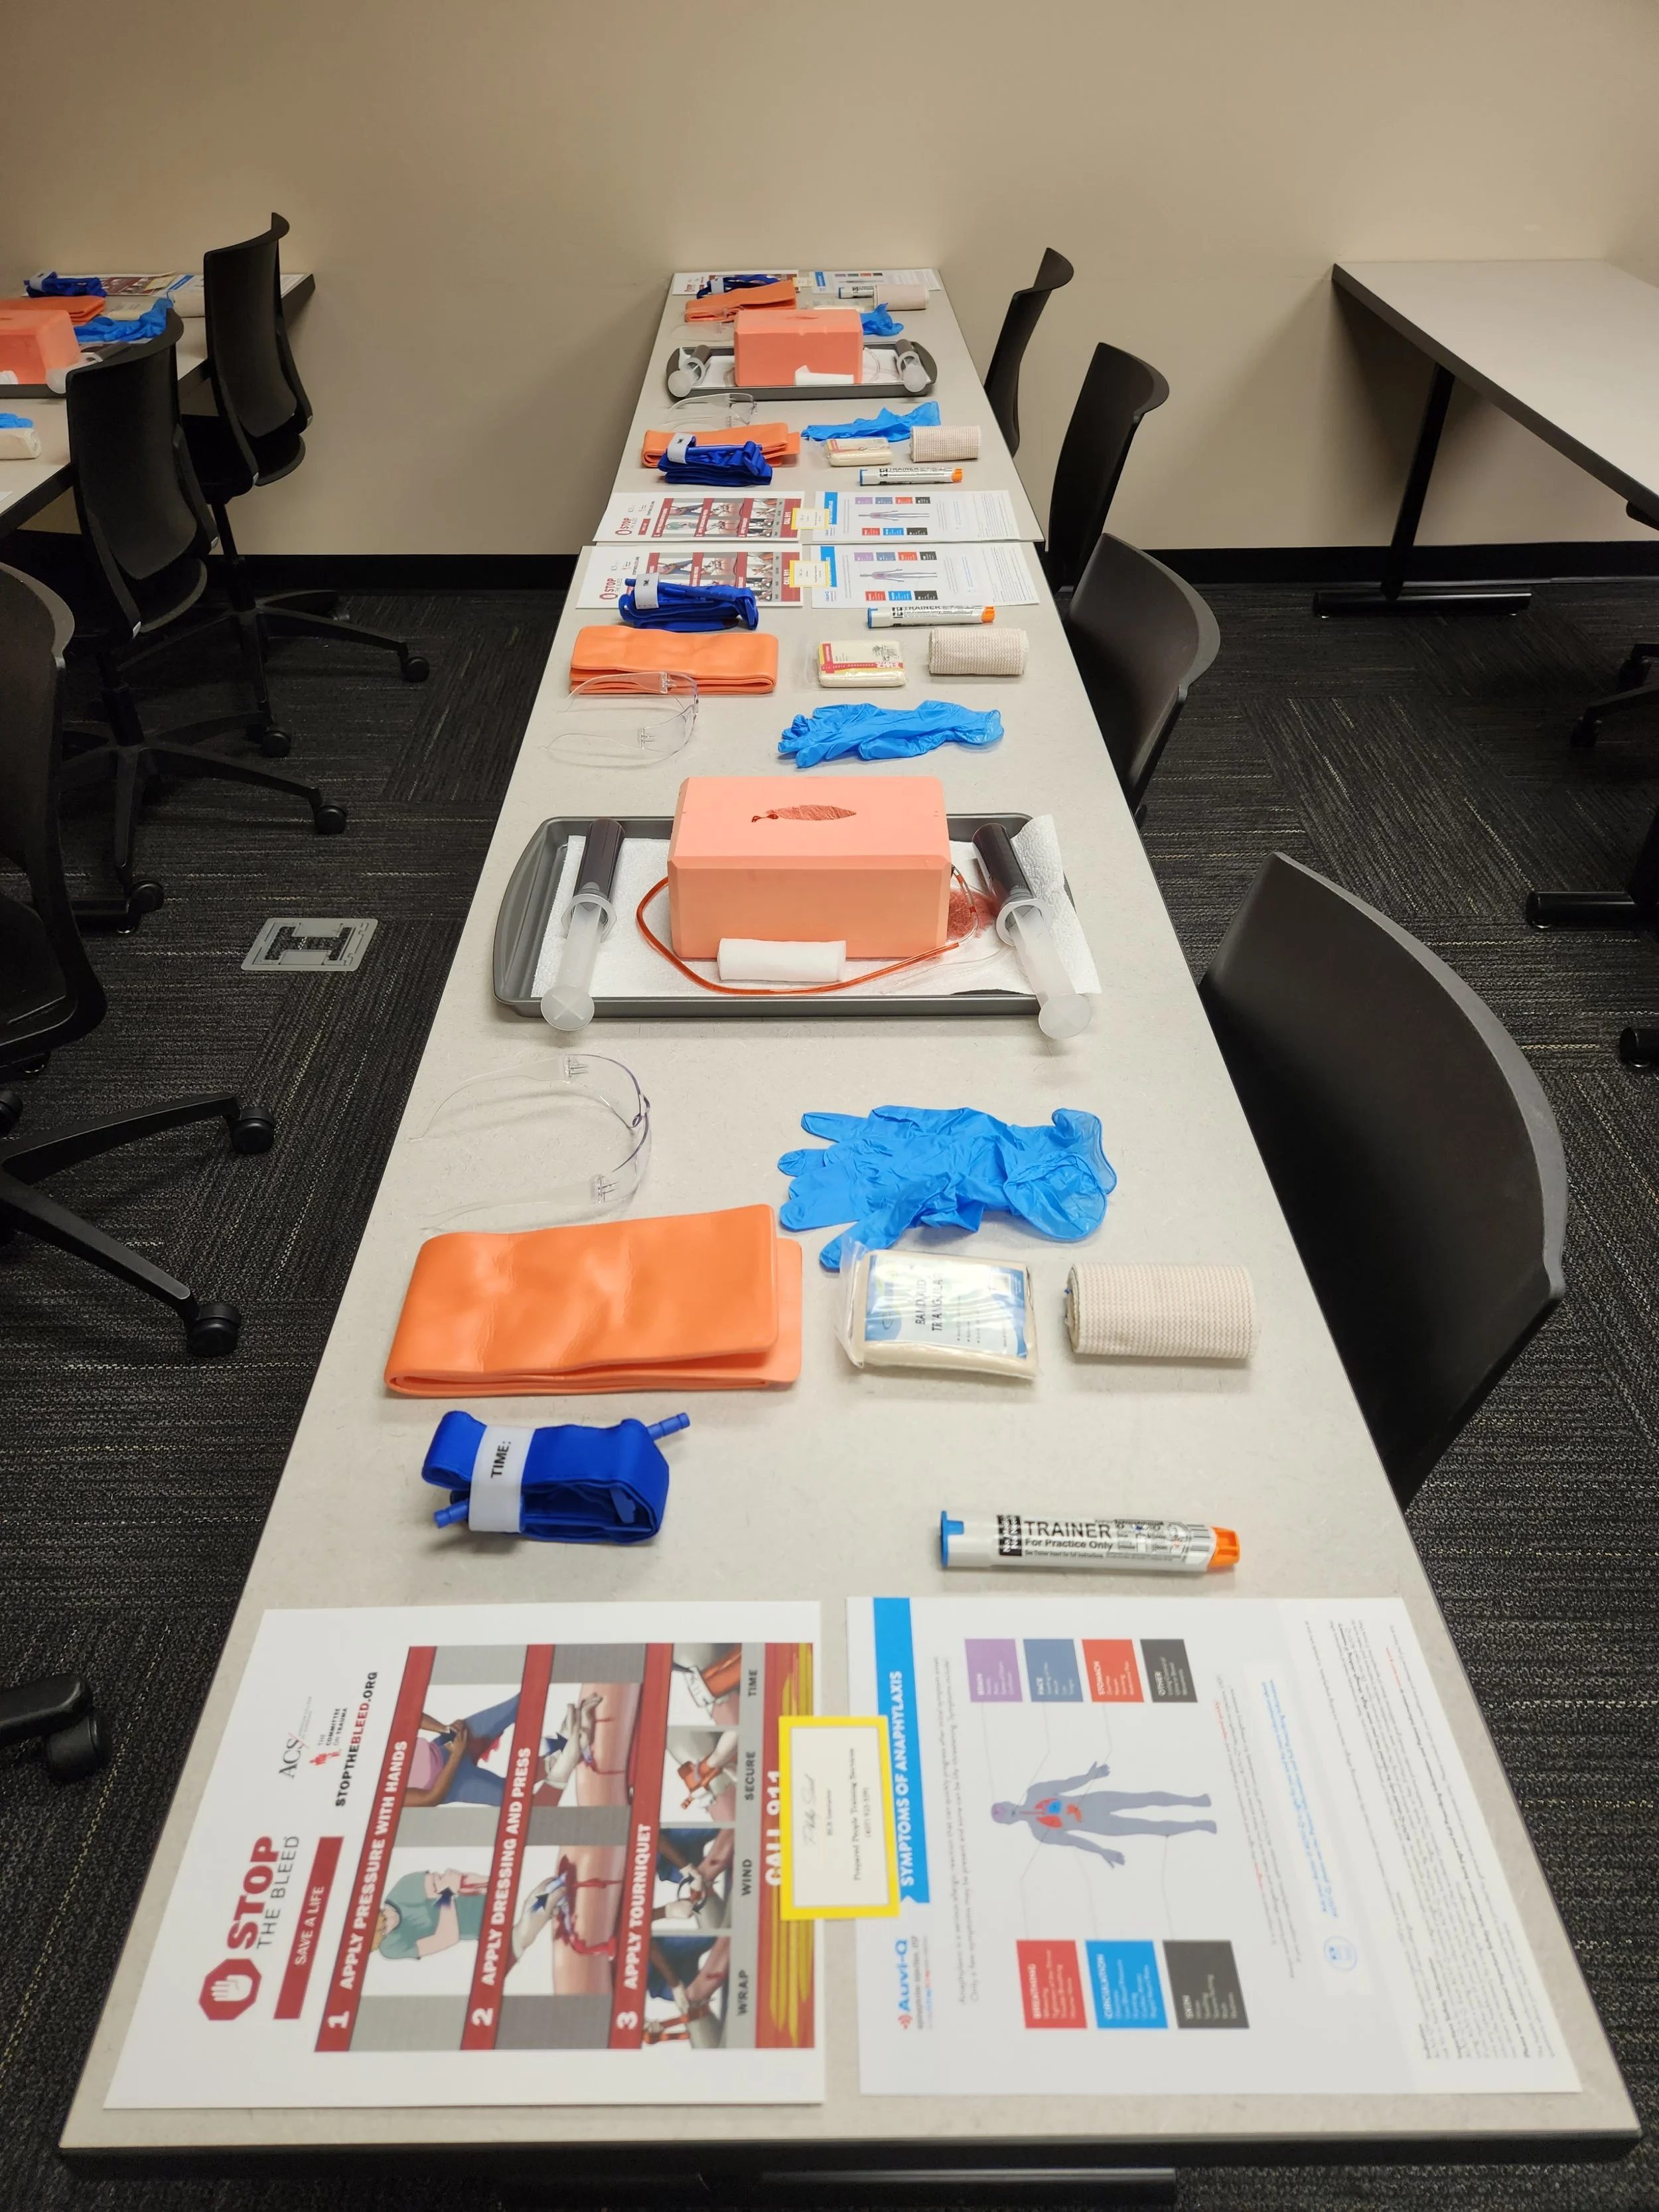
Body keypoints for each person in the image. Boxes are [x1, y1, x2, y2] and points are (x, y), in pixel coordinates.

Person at [990, 1760, 1215, 1865]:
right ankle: (1200, 1825)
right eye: (1004, 1816)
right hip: (1099, 1826)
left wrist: (1090, 1777)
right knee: (1150, 1827)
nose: (1009, 1812)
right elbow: (1074, 1841)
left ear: (1009, 1801)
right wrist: (1102, 1851)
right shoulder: (1039, 1833)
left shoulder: (1035, 1791)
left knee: (1144, 1799)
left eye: (1005, 1808)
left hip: (1096, 1802)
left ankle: (1195, 1801)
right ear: (1008, 1825)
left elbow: (1066, 1784)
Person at [403, 1696, 520, 1809]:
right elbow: (430, 1799)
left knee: (518, 1704)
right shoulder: (386, 1795)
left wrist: (446, 1730)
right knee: (518, 1799)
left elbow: (407, 1715)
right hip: (452, 1784)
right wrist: (456, 1755)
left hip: (444, 1745)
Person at [373, 1869, 486, 1961]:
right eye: (385, 1932)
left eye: (385, 1918)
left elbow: (453, 1881)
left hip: (482, 1896)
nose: (391, 1922)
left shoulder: (404, 1887)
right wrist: (447, 1895)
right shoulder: (390, 1948)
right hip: (482, 1927)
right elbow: (447, 1939)